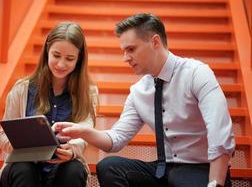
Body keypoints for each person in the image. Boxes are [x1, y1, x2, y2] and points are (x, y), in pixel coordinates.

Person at [54, 13, 235, 187]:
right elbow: (116, 139)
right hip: (164, 170)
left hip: (202, 169)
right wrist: (82, 131)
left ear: (155, 42)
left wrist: (215, 183)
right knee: (109, 167)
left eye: (131, 49)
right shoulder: (139, 91)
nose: (125, 58)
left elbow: (220, 132)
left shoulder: (197, 73)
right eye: (124, 51)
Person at [0, 22, 98, 187]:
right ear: (47, 52)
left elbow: (85, 134)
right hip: (24, 168)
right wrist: (27, 148)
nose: (61, 64)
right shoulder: (22, 89)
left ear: (79, 60)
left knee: (74, 170)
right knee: (23, 169)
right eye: (56, 55)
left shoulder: (89, 93)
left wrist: (72, 150)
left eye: (69, 59)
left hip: (62, 170)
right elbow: (2, 137)